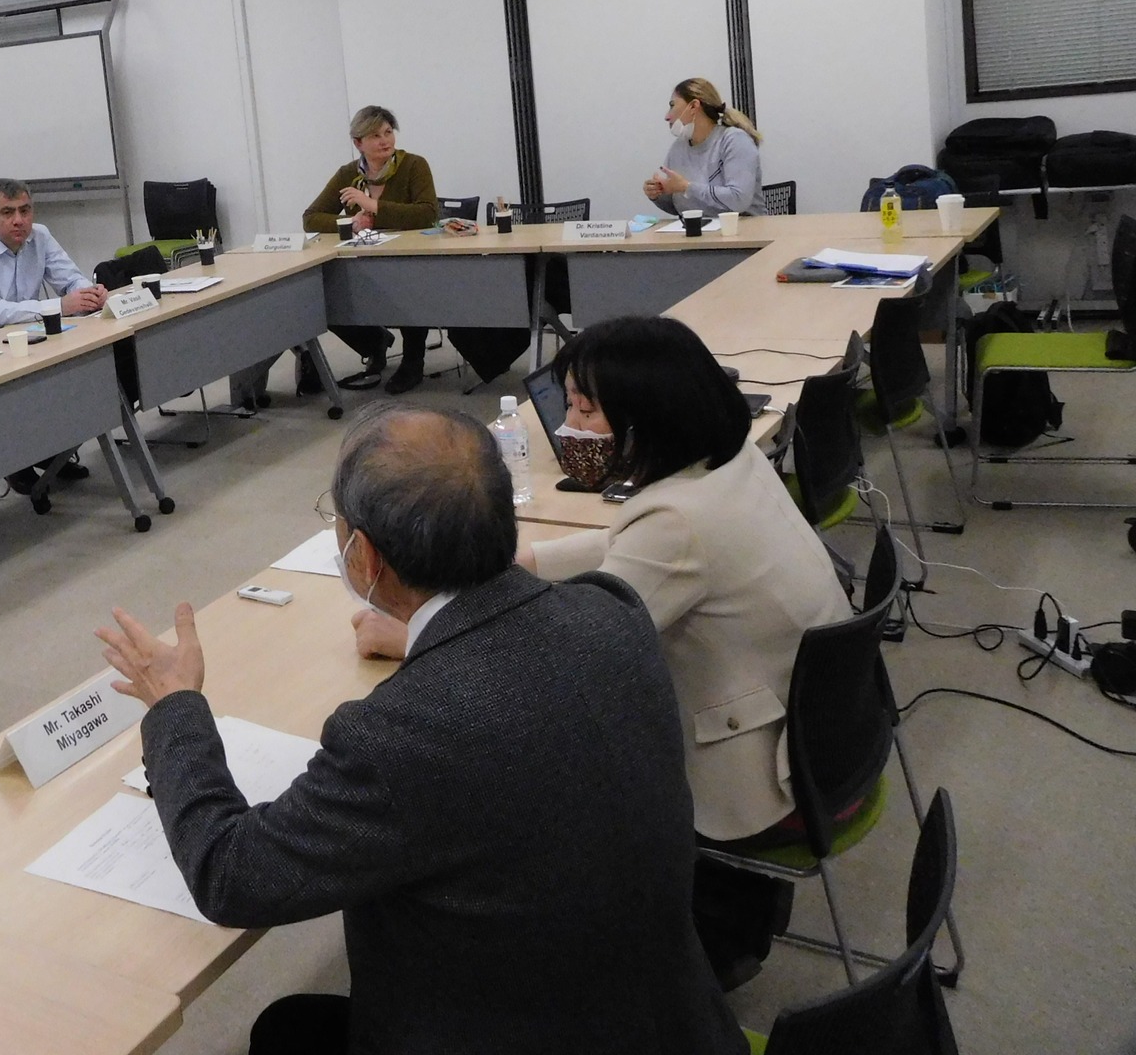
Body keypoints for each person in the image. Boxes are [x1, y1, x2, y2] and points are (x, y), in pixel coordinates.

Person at [99, 405, 743, 1055]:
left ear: (365, 556)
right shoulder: (612, 612)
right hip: (675, 1024)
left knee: (283, 1031)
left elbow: (231, 875)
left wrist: (174, 706)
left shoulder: (399, 736)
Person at [527, 317, 853, 988]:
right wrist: (525, 562)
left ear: (646, 416)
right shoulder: (728, 464)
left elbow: (575, 655)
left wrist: (424, 629)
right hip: (832, 734)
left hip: (768, 780)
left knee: (550, 769)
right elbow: (635, 550)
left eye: (585, 409)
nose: (569, 426)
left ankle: (681, 950)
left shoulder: (674, 521)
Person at [0, 178, 106, 499]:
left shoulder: (40, 236)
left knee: (71, 374)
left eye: (25, 210)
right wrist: (60, 306)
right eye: (8, 213)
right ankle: (16, 461)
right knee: (22, 387)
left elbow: (70, 278)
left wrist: (88, 293)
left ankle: (52, 454)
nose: (19, 220)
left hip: (28, 337)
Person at [302, 106, 441, 395]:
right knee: (329, 292)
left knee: (408, 289)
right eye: (375, 135)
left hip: (409, 259)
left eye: (388, 132)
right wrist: (350, 223)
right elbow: (311, 218)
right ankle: (374, 341)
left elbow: (427, 214)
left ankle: (413, 361)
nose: (385, 140)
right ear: (358, 143)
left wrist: (374, 206)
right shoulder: (347, 174)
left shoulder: (414, 165)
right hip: (364, 258)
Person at [645, 76, 767, 217]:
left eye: (672, 105)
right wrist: (658, 194)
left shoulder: (734, 140)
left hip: (745, 227)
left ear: (693, 106)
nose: (667, 117)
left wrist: (687, 187)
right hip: (701, 228)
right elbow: (682, 207)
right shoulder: (678, 148)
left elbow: (739, 200)